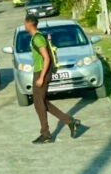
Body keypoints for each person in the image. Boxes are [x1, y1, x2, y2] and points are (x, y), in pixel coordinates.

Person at [25, 13, 81, 143]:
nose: (25, 25)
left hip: (41, 72)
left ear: (29, 24)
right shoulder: (36, 37)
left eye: (25, 23)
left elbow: (47, 58)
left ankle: (46, 134)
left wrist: (41, 78)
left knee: (39, 103)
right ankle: (71, 122)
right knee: (42, 103)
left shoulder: (38, 38)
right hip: (39, 72)